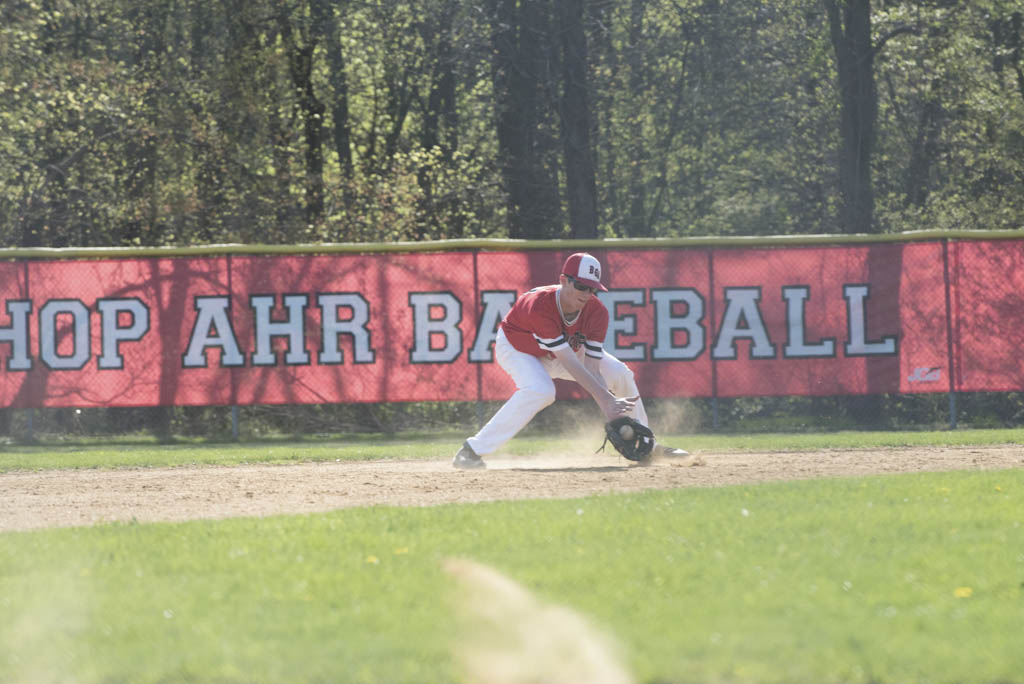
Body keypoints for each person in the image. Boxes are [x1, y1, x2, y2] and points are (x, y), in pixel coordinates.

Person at [453, 252, 689, 469]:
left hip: (561, 351)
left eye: (592, 289)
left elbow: (591, 367)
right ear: (563, 280)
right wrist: (606, 399)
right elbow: (571, 364)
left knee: (620, 373)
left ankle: (648, 445)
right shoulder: (540, 306)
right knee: (541, 390)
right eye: (581, 286)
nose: (586, 294)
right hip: (518, 348)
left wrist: (612, 409)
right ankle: (471, 451)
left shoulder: (597, 313)